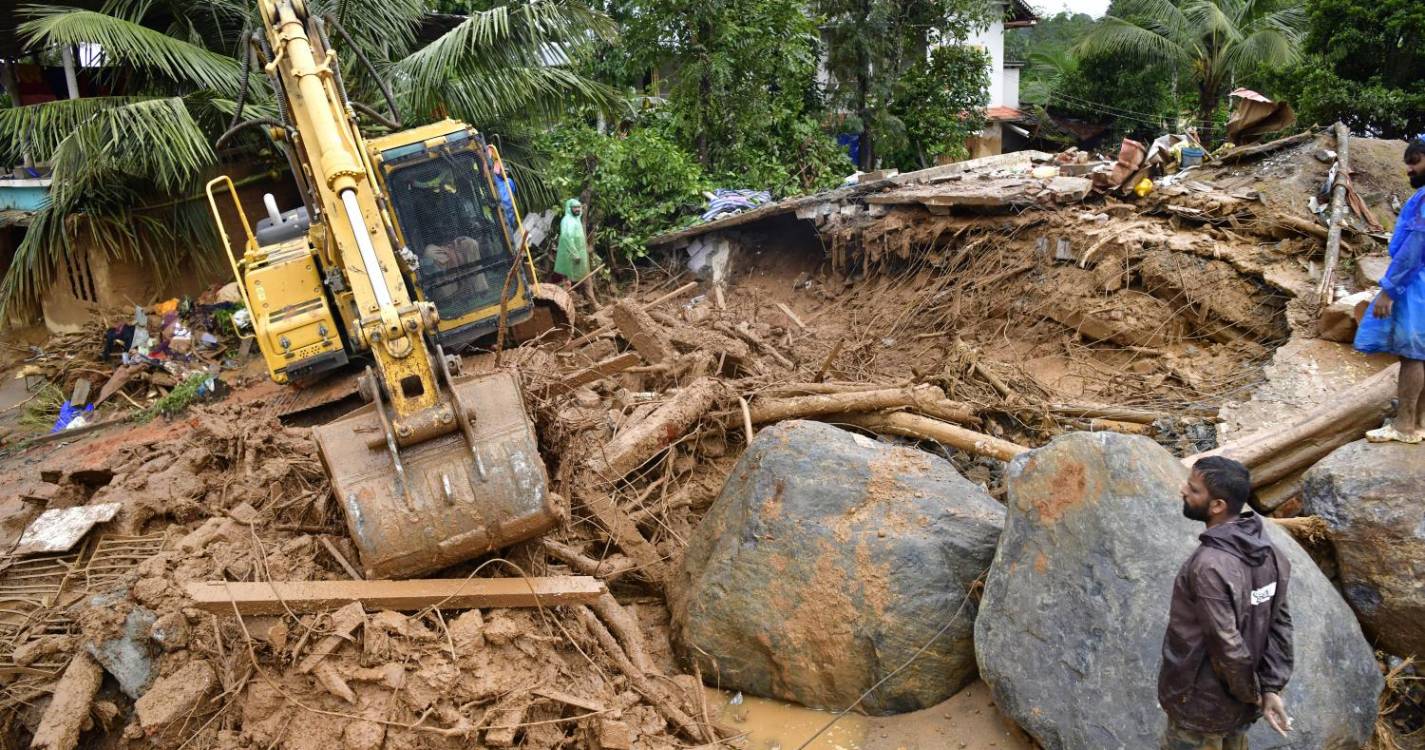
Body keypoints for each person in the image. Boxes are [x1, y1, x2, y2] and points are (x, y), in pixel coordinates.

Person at [1159, 456, 1293, 750]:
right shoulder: (1271, 554)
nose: (1183, 490)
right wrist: (1269, 688)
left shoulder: (1208, 566)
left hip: (1199, 706)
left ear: (1217, 505)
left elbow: (1226, 644)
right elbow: (1280, 626)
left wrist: (1254, 694)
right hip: (1239, 707)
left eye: (1194, 489)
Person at [1354, 139, 1425, 443]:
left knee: (1412, 355)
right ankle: (1420, 421)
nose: (1409, 168)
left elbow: (1413, 250)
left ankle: (1404, 425)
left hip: (1417, 285)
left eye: (1415, 161)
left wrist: (1389, 291)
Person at [554, 198, 591, 284]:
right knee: (568, 277)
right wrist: (575, 253)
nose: (577, 209)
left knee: (577, 277)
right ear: (569, 208)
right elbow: (566, 237)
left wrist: (583, 207)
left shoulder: (576, 218)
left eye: (578, 207)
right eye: (575, 207)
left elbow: (580, 213)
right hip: (571, 254)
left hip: (578, 254)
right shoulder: (567, 220)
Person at [488, 146, 520, 236]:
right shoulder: (494, 179)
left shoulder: (509, 181)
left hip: (510, 214)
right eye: (504, 170)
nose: (506, 173)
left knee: (512, 232)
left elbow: (513, 194)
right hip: (500, 213)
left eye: (507, 171)